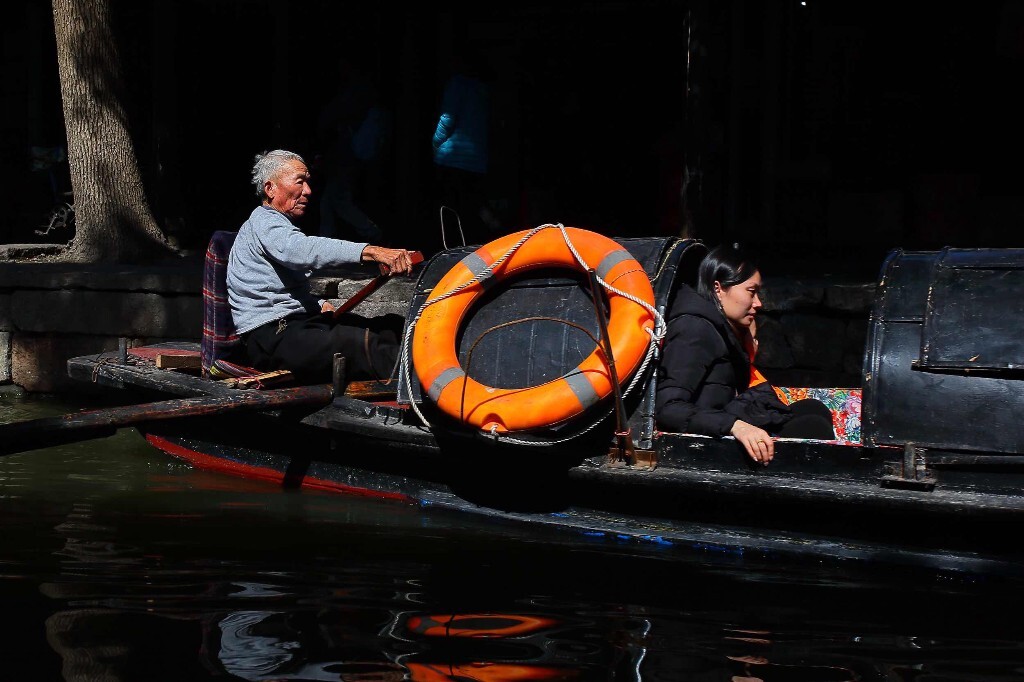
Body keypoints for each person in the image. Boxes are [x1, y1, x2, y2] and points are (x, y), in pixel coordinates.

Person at [227, 149, 416, 385]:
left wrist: (316, 304)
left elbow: (279, 288)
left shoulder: (277, 227)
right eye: (300, 182)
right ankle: (427, 391)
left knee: (389, 327)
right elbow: (300, 250)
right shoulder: (264, 221)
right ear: (270, 188)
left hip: (295, 327)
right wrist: (371, 251)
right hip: (272, 338)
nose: (308, 191)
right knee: (362, 343)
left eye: (308, 182)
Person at [655, 244, 835, 465]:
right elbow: (667, 409)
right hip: (706, 440)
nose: (758, 303)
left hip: (722, 418)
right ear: (718, 288)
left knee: (814, 410)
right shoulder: (695, 330)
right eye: (751, 292)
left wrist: (745, 347)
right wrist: (735, 426)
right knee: (812, 429)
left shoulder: (720, 328)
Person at [432, 44, 500, 245]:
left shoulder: (457, 84)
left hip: (453, 158)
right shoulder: (483, 89)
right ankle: (479, 247)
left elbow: (447, 117)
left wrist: (436, 143)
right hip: (477, 160)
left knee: (448, 208)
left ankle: (450, 249)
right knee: (471, 207)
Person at [316, 56, 385, 244]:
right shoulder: (364, 92)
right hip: (348, 153)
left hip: (346, 154)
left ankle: (371, 231)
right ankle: (325, 242)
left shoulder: (354, 92)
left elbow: (331, 116)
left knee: (338, 198)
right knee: (329, 201)